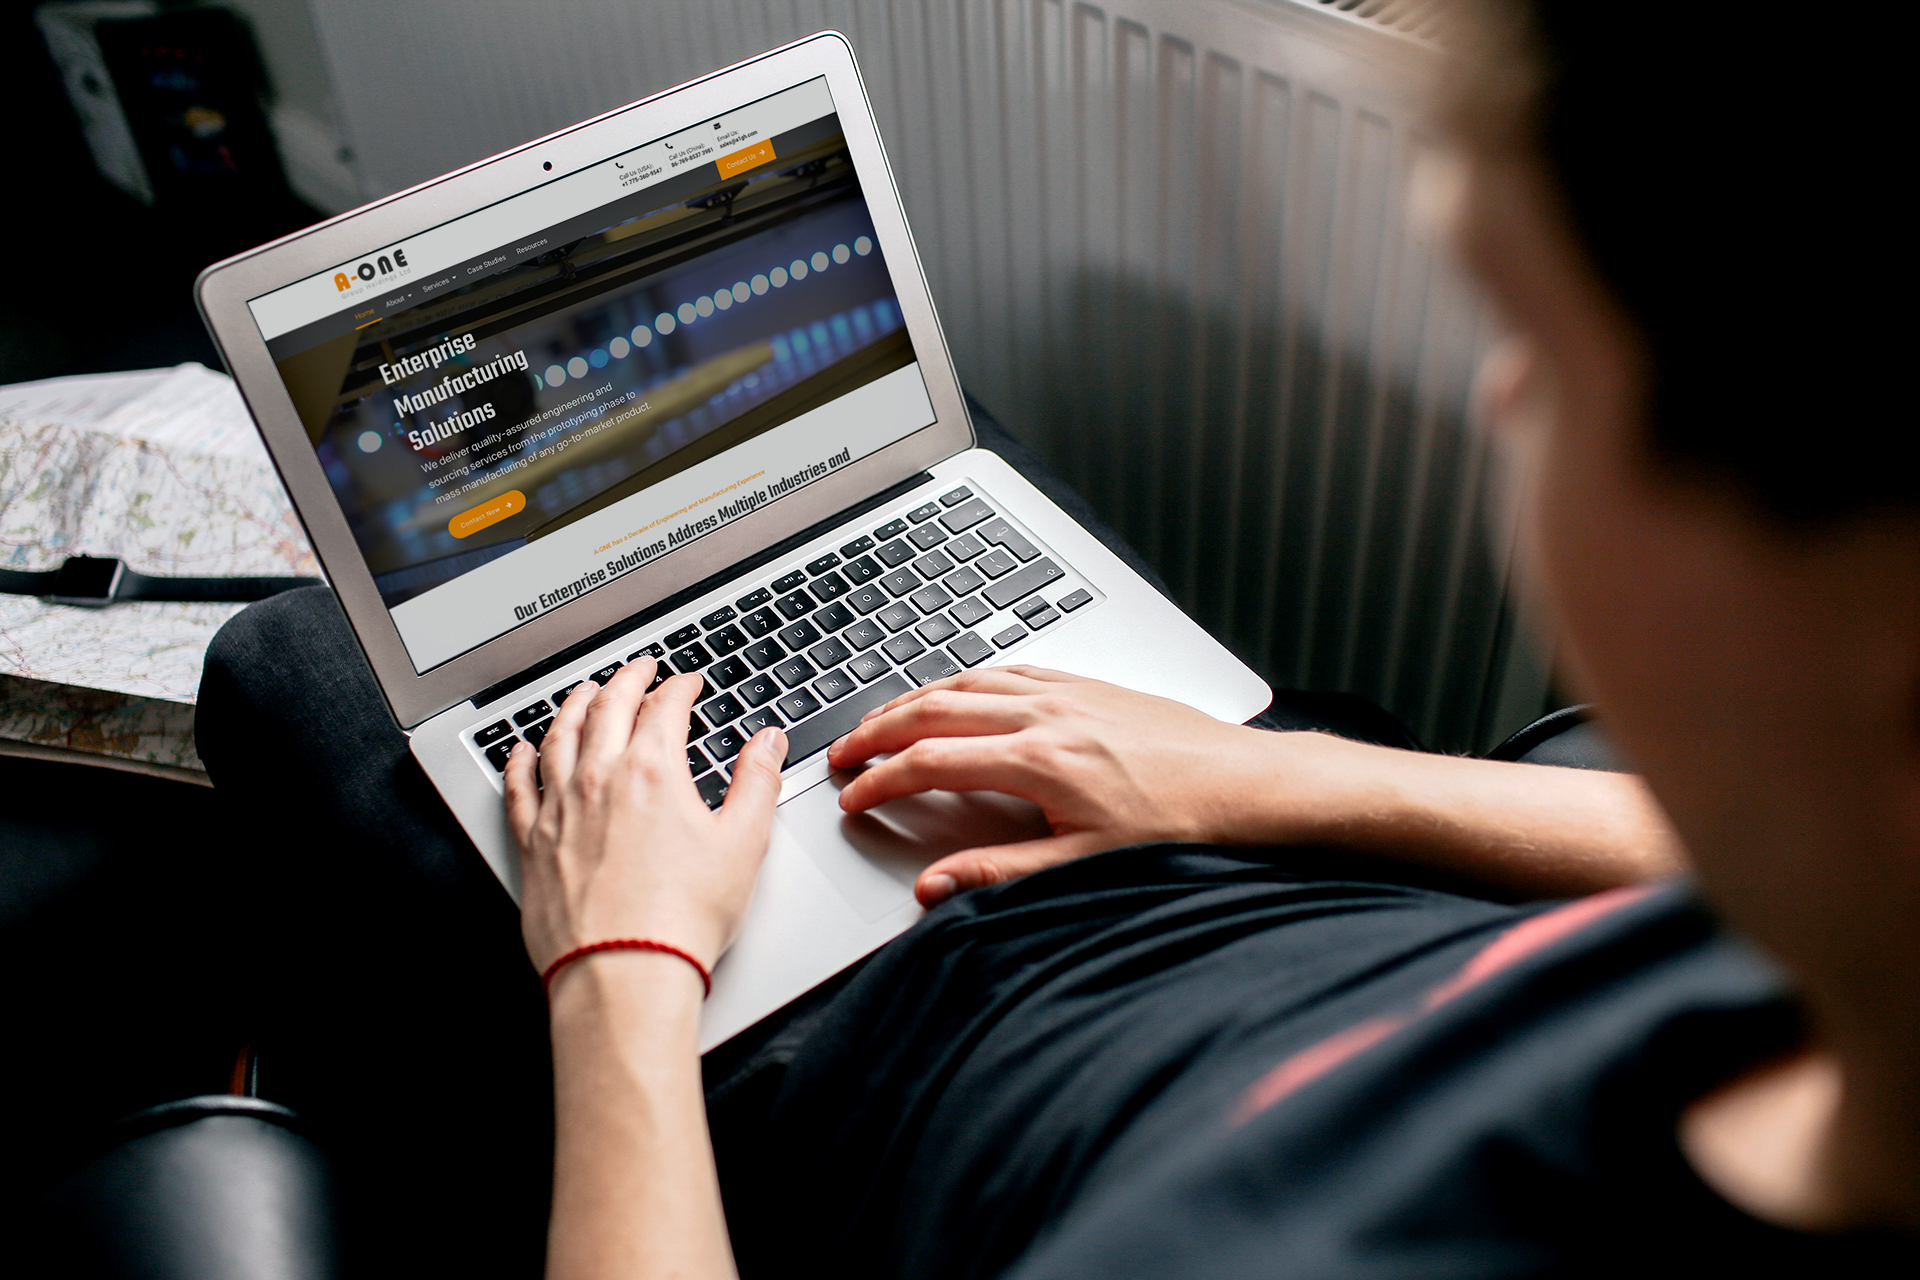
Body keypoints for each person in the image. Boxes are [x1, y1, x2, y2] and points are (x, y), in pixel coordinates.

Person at [195, 1, 1911, 1275]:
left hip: (846, 1055)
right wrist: (1270, 779)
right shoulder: (1849, 906)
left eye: (1534, 340)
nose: (1504, 395)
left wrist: (619, 970)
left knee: (293, 664)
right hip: (1229, 841)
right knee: (920, 462)